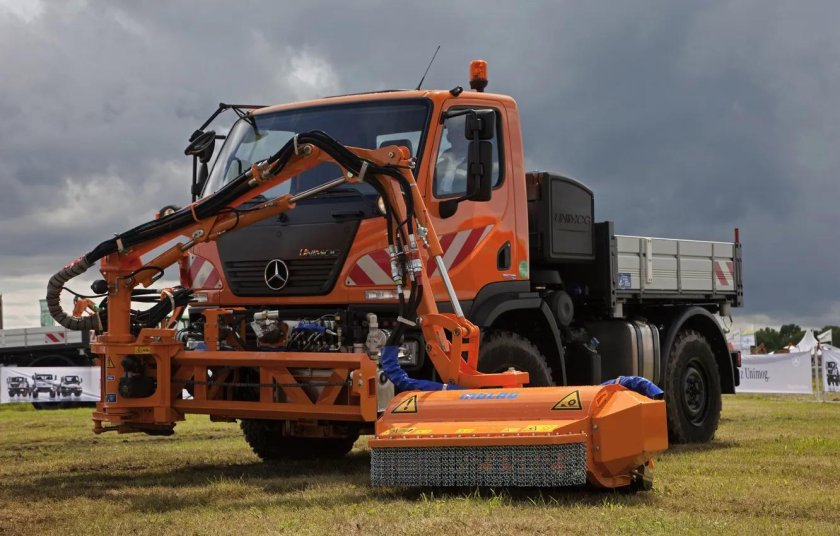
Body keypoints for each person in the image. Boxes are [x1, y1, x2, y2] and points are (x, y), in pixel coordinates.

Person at [435, 115, 469, 196]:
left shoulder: (476, 162)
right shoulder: (438, 163)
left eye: (462, 133)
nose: (459, 137)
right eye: (455, 133)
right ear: (448, 137)